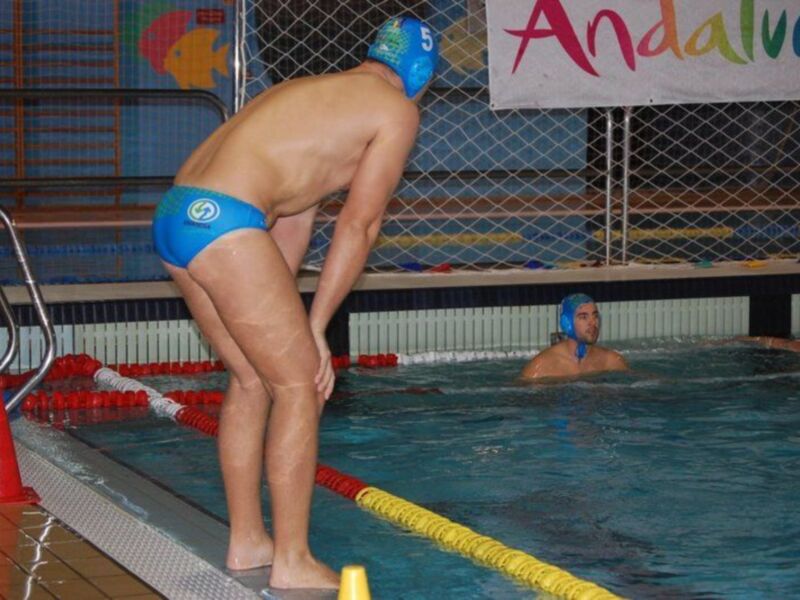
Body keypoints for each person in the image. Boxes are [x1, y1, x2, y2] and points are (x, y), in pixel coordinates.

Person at [152, 16, 438, 590]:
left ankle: (246, 541)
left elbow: (292, 222)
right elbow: (359, 227)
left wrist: (289, 319)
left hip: (177, 218)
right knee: (298, 384)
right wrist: (315, 329)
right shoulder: (395, 110)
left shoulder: (309, 94)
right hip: (228, 222)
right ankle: (292, 559)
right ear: (420, 77)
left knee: (254, 378)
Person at [520, 293, 628, 381]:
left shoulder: (613, 362)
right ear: (567, 323)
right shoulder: (541, 367)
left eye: (595, 316)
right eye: (583, 317)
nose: (592, 323)